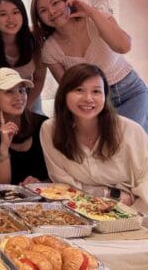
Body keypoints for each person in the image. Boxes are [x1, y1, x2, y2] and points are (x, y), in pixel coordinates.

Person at [31, 0, 148, 132]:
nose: (52, 11)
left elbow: (124, 47)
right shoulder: (50, 49)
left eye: (55, 3)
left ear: (68, 1)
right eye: (43, 10)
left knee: (127, 138)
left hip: (131, 92)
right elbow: (68, 89)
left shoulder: (96, 20)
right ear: (39, 18)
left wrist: (90, 11)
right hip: (95, 104)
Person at [40, 63, 148, 213]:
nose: (88, 98)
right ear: (63, 94)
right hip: (77, 211)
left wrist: (132, 213)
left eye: (96, 91)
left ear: (105, 96)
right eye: (79, 90)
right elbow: (64, 185)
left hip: (135, 211)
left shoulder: (130, 131)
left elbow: (145, 180)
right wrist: (111, 194)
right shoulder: (50, 130)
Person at [0, 68, 49, 185]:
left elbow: (60, 174)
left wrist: (40, 184)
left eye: (21, 90)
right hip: (8, 195)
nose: (18, 97)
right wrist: (4, 148)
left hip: (47, 193)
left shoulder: (44, 125)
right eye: (9, 92)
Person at [0, 0, 46, 112]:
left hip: (28, 91)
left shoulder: (35, 41)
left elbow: (39, 79)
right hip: (1, 96)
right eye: (3, 14)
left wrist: (24, 109)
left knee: (36, 120)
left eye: (15, 12)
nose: (10, 19)